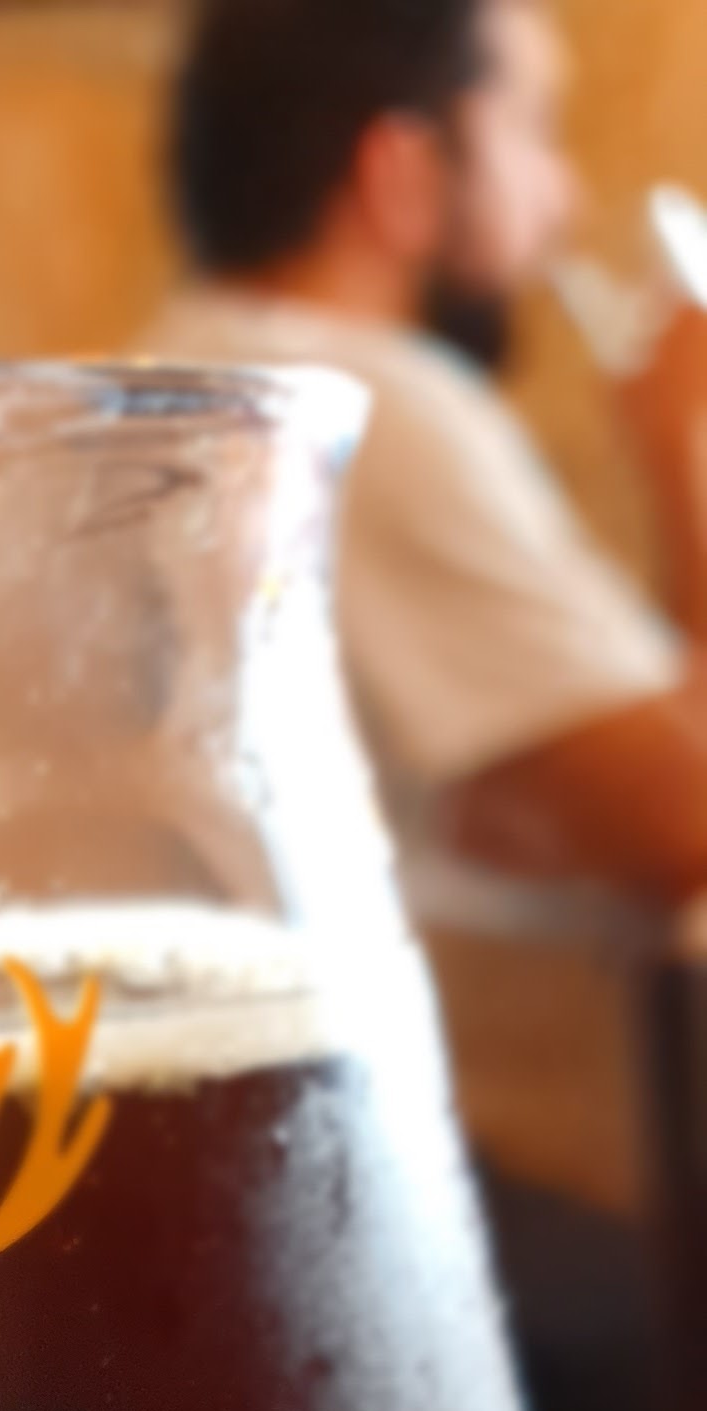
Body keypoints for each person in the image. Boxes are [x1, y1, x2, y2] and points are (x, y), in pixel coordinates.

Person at [152, 0, 707, 900]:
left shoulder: (189, 368)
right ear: (399, 173)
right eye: (533, 129)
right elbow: (685, 814)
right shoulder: (362, 405)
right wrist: (687, 445)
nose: (564, 199)